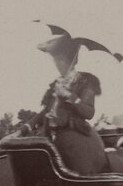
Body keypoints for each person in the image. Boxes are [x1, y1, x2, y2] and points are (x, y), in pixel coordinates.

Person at [23, 32, 110, 175]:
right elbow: (45, 113)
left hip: (77, 141)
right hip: (51, 139)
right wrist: (24, 129)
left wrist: (69, 95)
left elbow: (89, 112)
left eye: (61, 60)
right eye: (56, 60)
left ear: (71, 60)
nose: (58, 64)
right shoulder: (55, 84)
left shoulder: (86, 80)